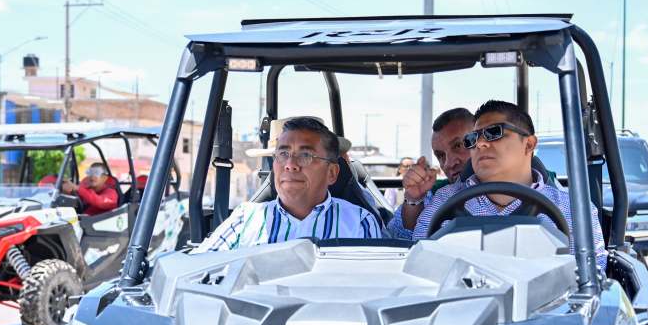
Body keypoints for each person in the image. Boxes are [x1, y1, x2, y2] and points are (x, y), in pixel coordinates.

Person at [413, 99, 607, 271]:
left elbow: (590, 279)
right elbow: (417, 268)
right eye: (473, 139)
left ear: (529, 144)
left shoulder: (574, 210)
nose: (480, 144)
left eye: (493, 133)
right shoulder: (443, 201)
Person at [195, 117, 382, 252]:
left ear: (332, 173)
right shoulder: (245, 219)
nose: (290, 165)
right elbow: (198, 271)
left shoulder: (359, 222)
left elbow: (371, 288)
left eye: (306, 155)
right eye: (283, 154)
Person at [387, 108, 474, 240]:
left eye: (458, 146)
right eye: (440, 156)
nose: (448, 163)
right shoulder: (437, 193)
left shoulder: (513, 185)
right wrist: (414, 199)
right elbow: (400, 240)